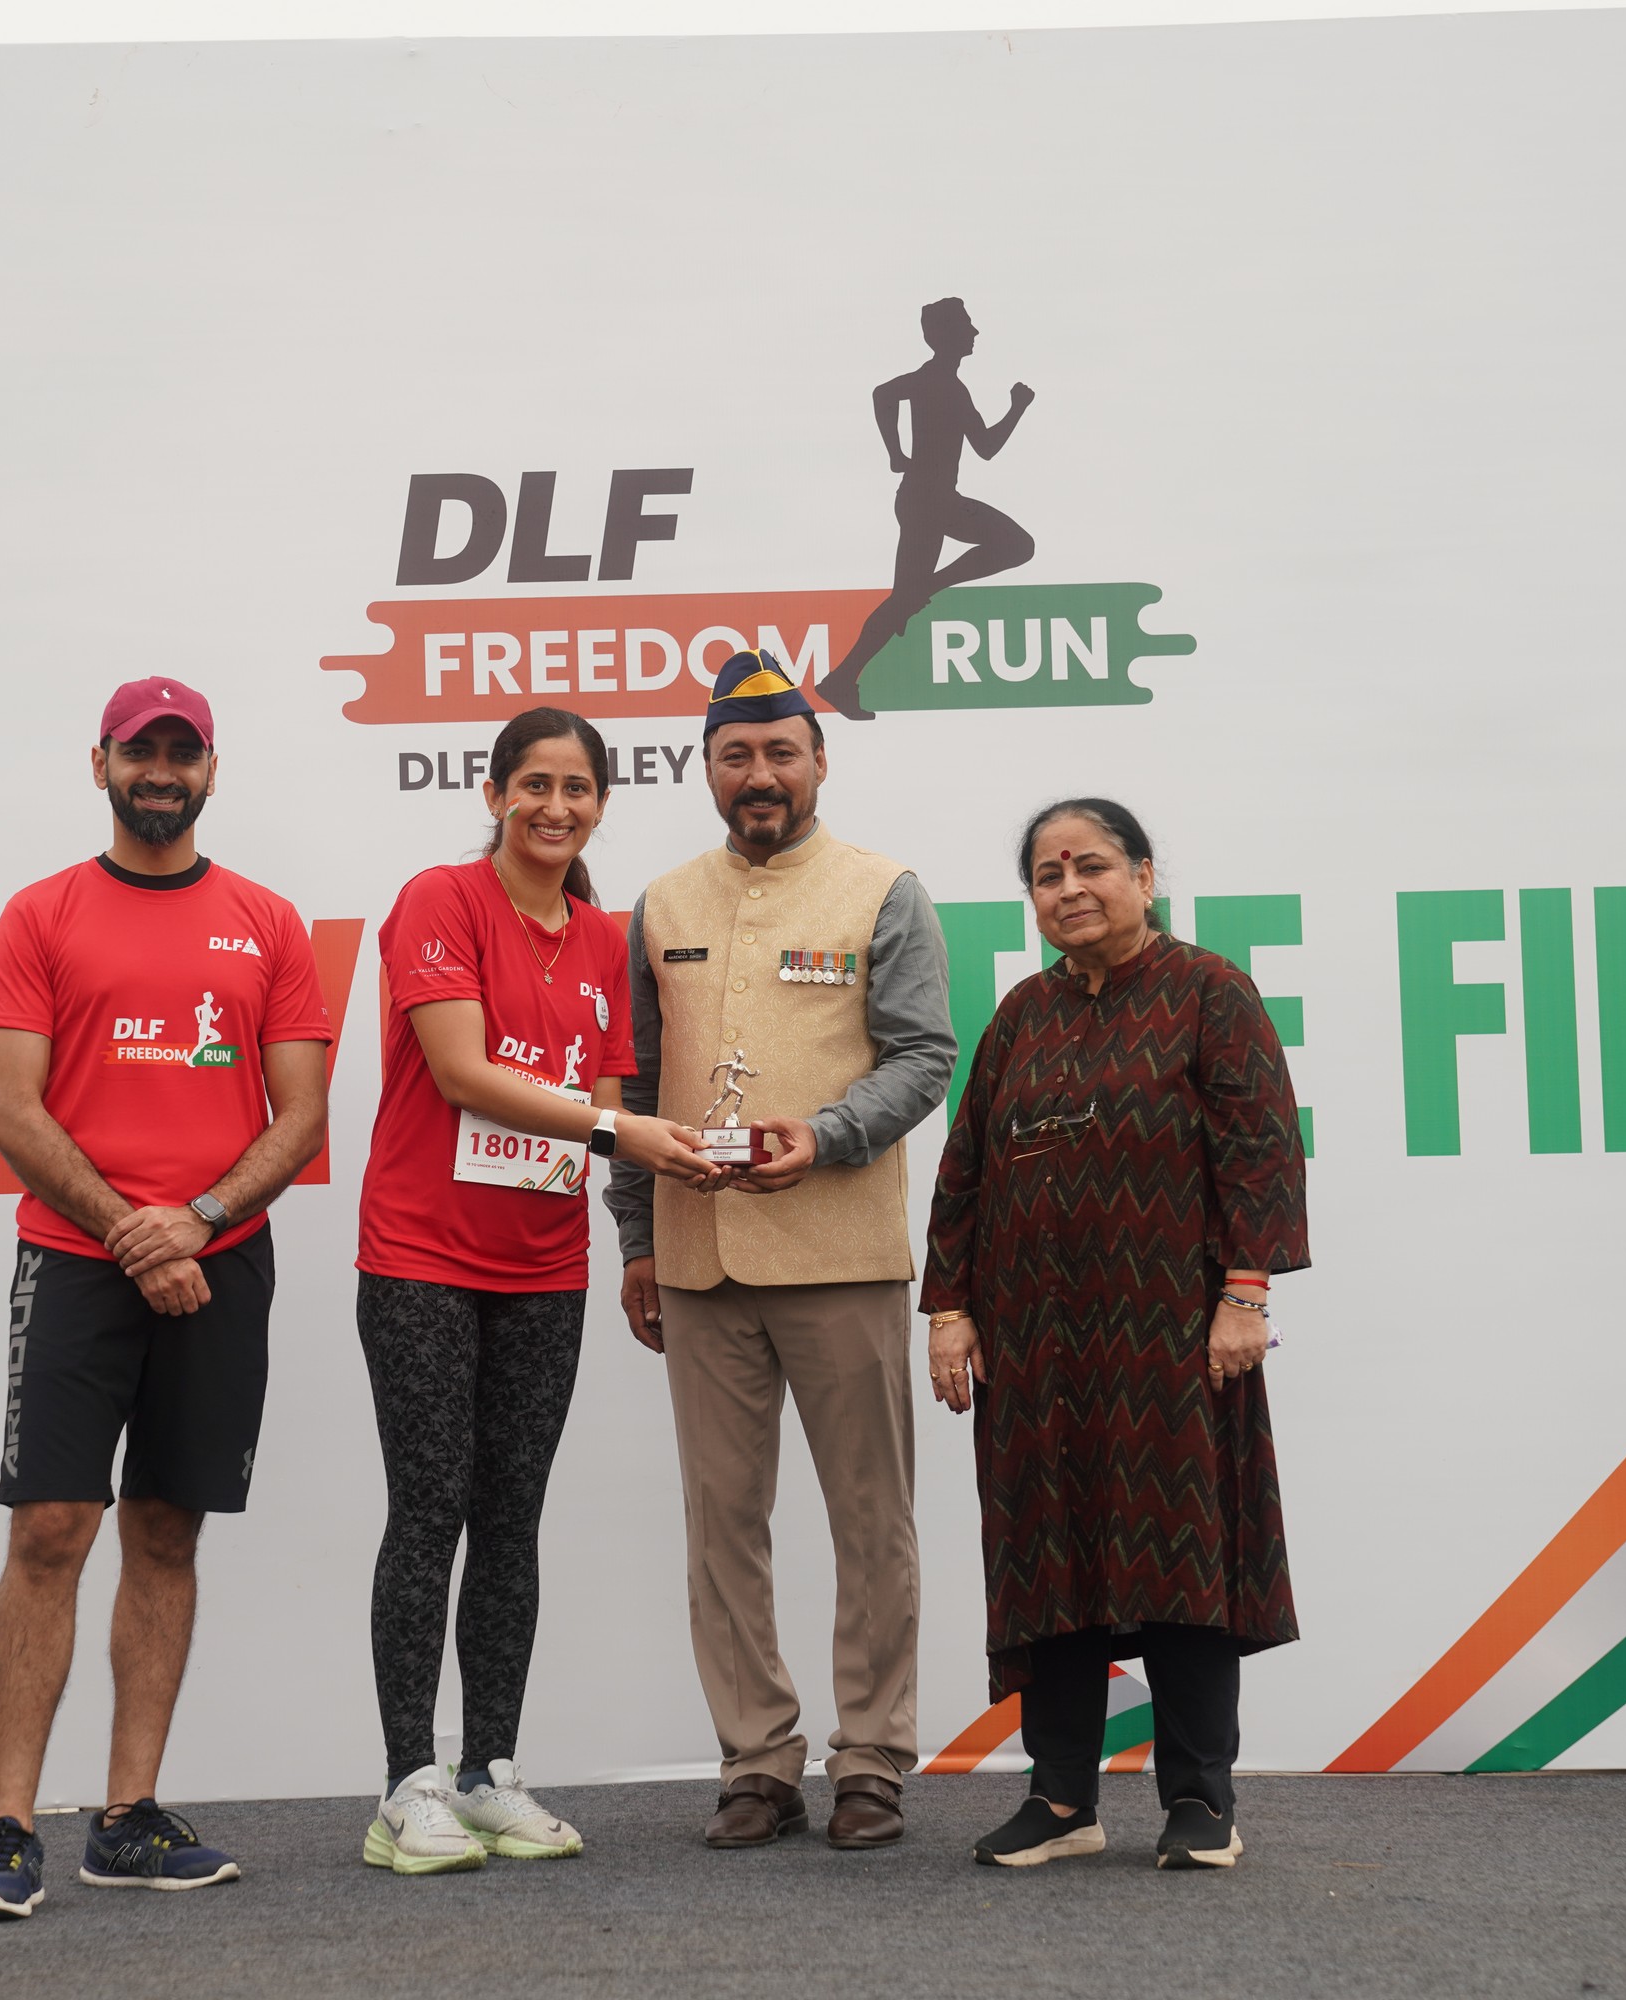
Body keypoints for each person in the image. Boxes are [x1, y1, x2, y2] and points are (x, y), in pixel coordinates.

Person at [0, 677, 335, 1919]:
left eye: (182, 750)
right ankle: (9, 1827)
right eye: (138, 749)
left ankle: (126, 1816)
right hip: (77, 1260)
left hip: (221, 1258)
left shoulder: (267, 922)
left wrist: (200, 1219)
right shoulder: (41, 913)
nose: (159, 768)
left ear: (210, 769)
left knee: (166, 1527)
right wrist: (133, 1231)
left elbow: (301, 1115)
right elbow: (9, 1109)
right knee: (50, 1528)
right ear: (100, 762)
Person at [353, 707, 718, 1874]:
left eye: (578, 787)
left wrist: (635, 1151)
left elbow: (602, 1096)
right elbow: (464, 1072)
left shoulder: (606, 938)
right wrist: (624, 1131)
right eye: (536, 783)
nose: (556, 806)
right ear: (495, 792)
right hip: (421, 1256)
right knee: (429, 1510)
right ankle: (407, 1782)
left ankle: (487, 1771)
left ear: (601, 802)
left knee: (510, 1518)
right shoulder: (441, 900)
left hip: (544, 1267)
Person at [606, 651, 957, 1850]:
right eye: (735, 755)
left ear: (819, 761)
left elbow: (924, 1055)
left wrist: (826, 1134)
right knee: (721, 1525)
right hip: (697, 1261)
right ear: (706, 767)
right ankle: (755, 1757)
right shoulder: (661, 903)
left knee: (872, 1518)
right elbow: (632, 1084)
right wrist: (637, 1238)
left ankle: (871, 1757)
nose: (759, 774)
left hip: (841, 1252)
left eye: (780, 753)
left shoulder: (883, 890)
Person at [920, 797, 1307, 1872]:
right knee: (1048, 1564)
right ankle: (1059, 1800)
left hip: (1169, 1340)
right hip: (1034, 1348)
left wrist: (1245, 1293)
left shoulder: (1209, 992)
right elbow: (965, 1169)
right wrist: (950, 1309)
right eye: (1047, 875)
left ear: (1143, 875)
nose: (1069, 888)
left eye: (1090, 865)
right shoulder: (1022, 1014)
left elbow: (1261, 1150)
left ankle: (1199, 1801)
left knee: (1182, 1561)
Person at [820, 298, 1037, 721]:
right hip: (927, 503)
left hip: (937, 502)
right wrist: (895, 452)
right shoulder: (934, 380)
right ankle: (843, 677)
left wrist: (896, 452)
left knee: (911, 596)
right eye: (966, 325)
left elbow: (983, 446)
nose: (974, 332)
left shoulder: (951, 386)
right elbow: (884, 394)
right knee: (1010, 548)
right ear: (941, 335)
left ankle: (842, 678)